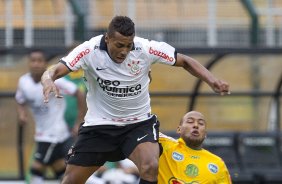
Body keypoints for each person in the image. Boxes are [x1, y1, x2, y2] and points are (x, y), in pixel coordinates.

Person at [41, 15, 230, 184]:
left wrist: (212, 81)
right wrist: (48, 80)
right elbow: (54, 70)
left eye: (128, 45)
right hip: (99, 125)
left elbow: (185, 61)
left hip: (138, 123)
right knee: (71, 180)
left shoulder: (145, 48)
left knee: (150, 166)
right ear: (107, 39)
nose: (124, 51)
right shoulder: (88, 50)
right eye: (119, 45)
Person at [15, 49, 86, 184]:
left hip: (54, 134)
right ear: (28, 63)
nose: (36, 64)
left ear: (45, 64)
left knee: (36, 168)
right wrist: (22, 113)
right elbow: (20, 99)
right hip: (42, 133)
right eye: (33, 61)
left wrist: (79, 121)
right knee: (60, 169)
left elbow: (79, 93)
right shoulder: (23, 82)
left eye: (39, 61)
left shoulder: (55, 81)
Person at [158, 111, 232, 184]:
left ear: (205, 134)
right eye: (190, 122)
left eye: (201, 123)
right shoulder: (164, 144)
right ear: (179, 129)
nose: (196, 125)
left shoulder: (217, 163)